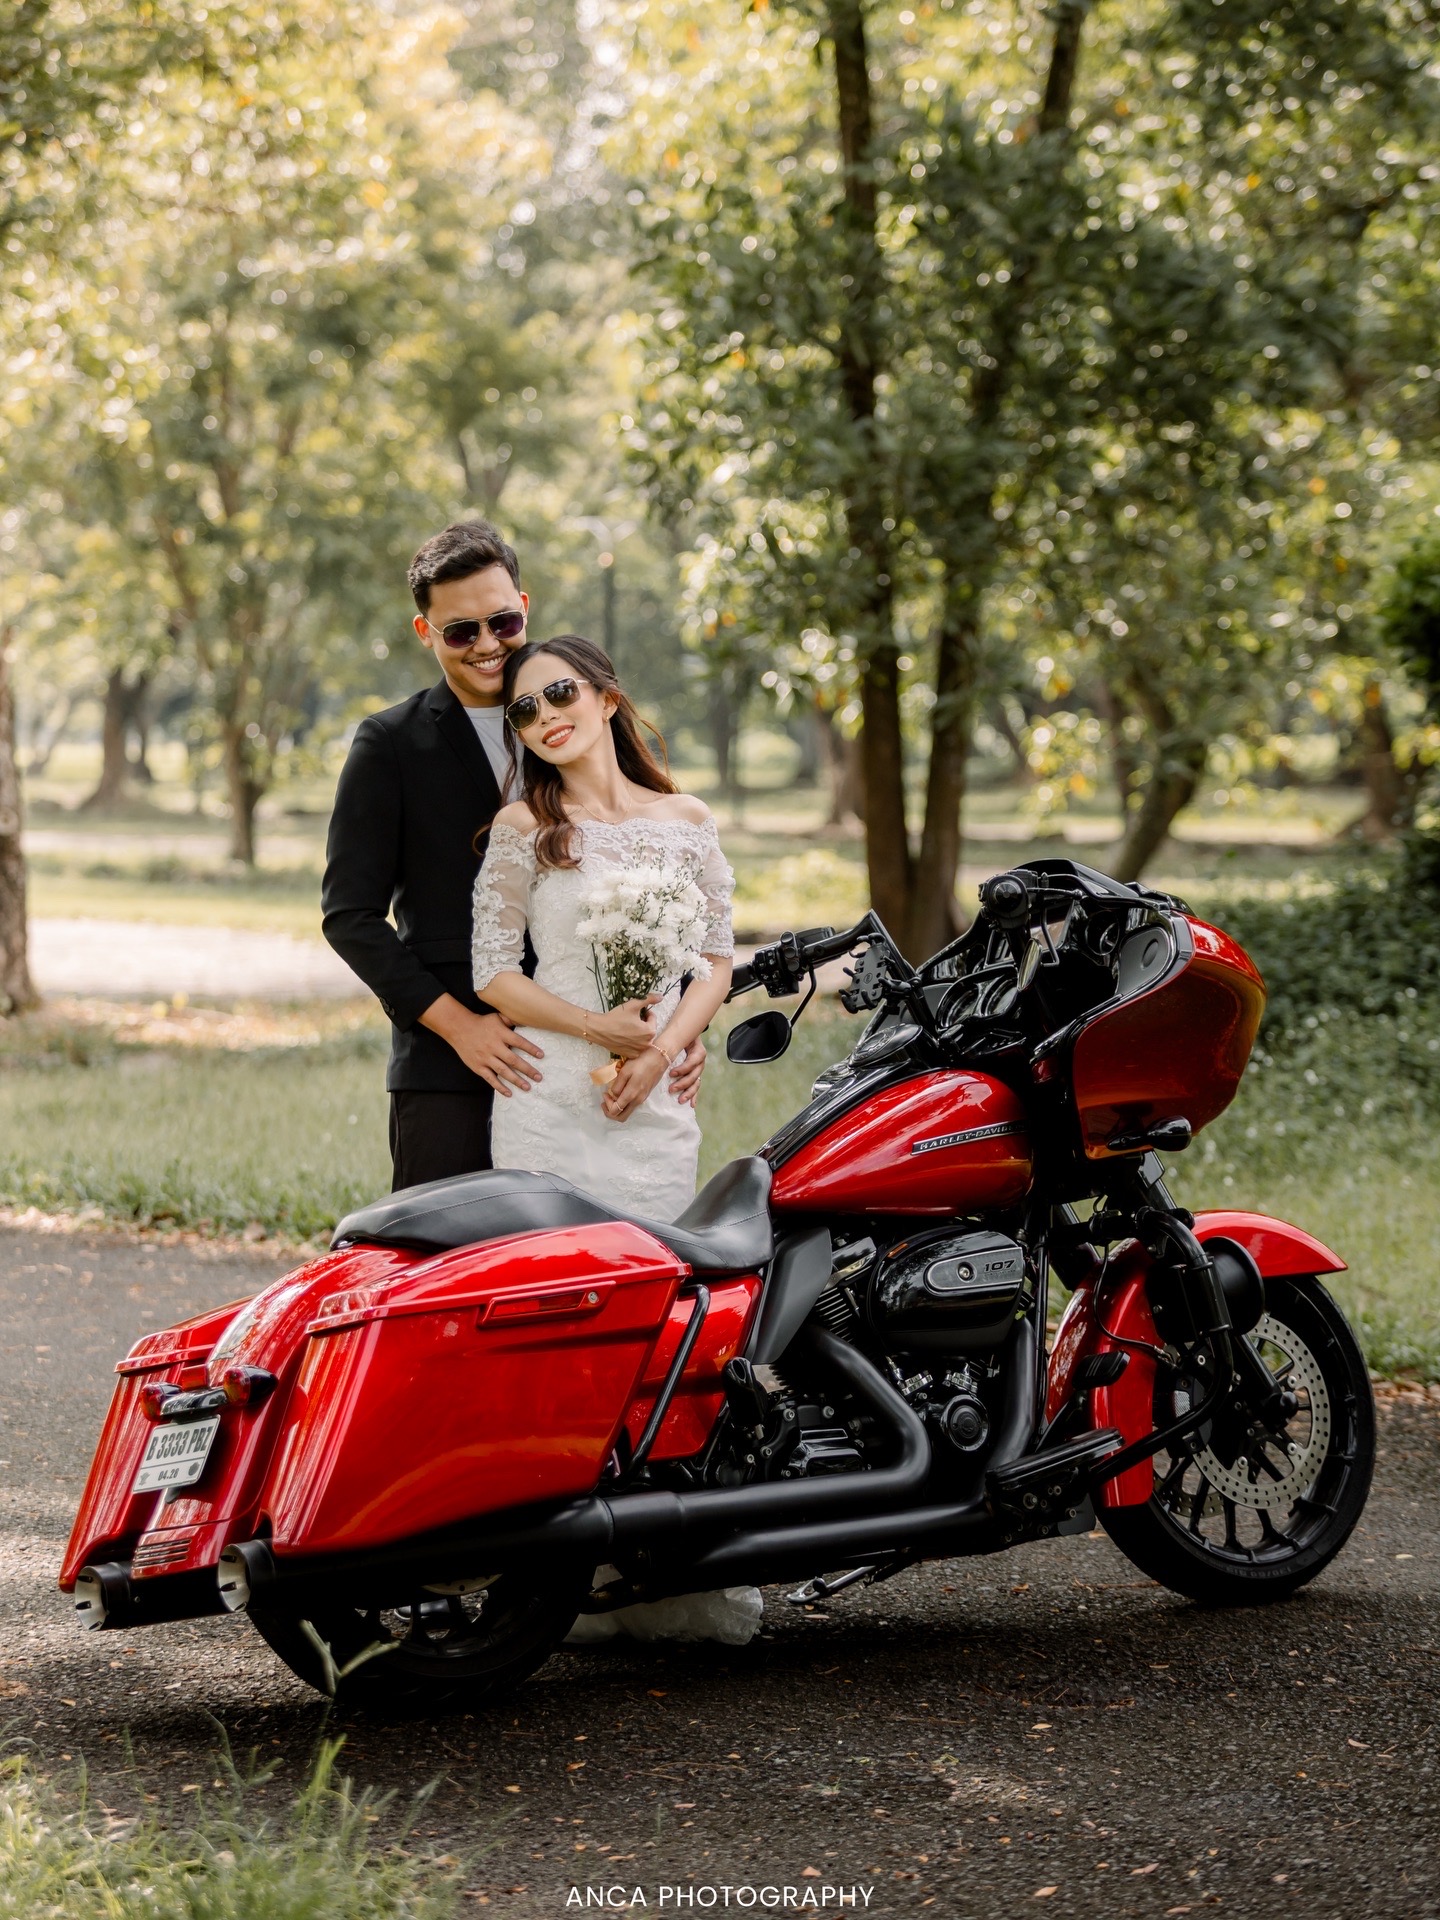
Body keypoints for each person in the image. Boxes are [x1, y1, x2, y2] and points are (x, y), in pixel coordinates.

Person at [322, 520, 704, 1191]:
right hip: (457, 1065)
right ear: (425, 632)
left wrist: (671, 1030)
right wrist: (460, 1028)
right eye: (460, 631)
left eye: (501, 622)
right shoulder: (389, 745)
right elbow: (349, 916)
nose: (487, 645)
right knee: (448, 1250)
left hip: (597, 1067)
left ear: (523, 608)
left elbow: (648, 886)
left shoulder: (571, 719)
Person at [470, 634, 733, 1221]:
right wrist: (596, 1028)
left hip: (656, 1097)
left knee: (652, 1262)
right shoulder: (523, 827)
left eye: (561, 693)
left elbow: (716, 962)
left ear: (609, 700)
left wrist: (660, 1053)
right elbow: (492, 976)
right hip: (547, 1100)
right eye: (525, 709)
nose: (546, 715)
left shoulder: (688, 820)